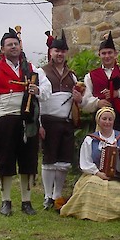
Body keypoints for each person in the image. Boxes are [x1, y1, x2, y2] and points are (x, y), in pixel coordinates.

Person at [0, 27, 51, 216]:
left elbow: (47, 87)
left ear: (20, 46)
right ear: (2, 49)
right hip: (5, 120)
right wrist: (0, 109)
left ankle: (26, 202)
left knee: (28, 159)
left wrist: (38, 92)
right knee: (5, 159)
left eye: (16, 44)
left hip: (28, 120)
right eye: (9, 44)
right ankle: (6, 201)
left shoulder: (32, 68)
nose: (13, 47)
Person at [60, 107, 120, 221]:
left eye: (110, 119)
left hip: (119, 178)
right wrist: (98, 173)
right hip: (95, 175)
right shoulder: (90, 140)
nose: (107, 122)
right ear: (98, 121)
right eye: (104, 119)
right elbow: (85, 162)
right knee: (92, 185)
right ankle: (93, 212)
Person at [38, 30, 83, 210]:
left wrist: (79, 98)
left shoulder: (72, 76)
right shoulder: (42, 73)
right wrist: (39, 124)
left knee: (63, 161)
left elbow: (79, 100)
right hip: (49, 120)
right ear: (51, 52)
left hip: (66, 122)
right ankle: (47, 195)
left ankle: (57, 195)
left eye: (63, 51)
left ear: (66, 53)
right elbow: (38, 100)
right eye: (57, 51)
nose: (60, 54)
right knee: (49, 159)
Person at [81, 31, 120, 138]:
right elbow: (85, 101)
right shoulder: (90, 76)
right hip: (101, 121)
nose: (107, 56)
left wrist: (118, 94)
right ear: (99, 55)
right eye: (104, 53)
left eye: (110, 53)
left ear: (115, 54)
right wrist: (98, 103)